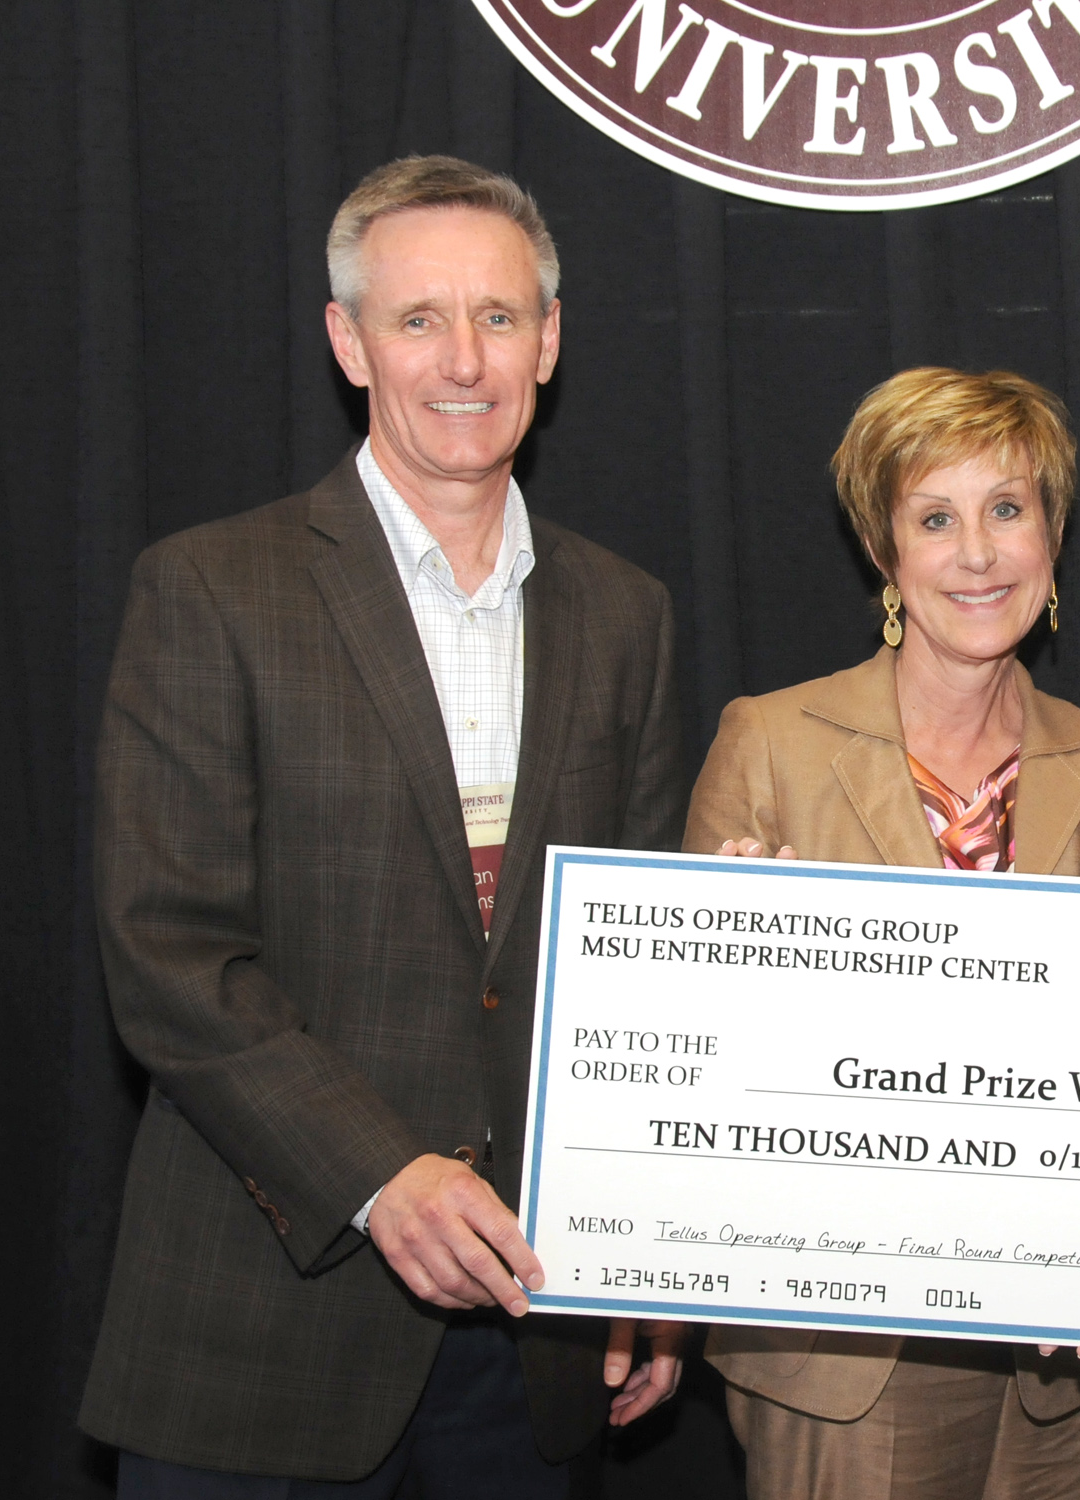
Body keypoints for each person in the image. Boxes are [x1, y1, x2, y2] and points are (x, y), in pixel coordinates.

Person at [80, 156, 688, 1496]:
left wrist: (641, 1261)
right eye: (419, 321)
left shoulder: (624, 613)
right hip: (262, 1326)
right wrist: (379, 1176)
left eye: (500, 316)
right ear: (349, 343)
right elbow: (166, 957)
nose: (464, 360)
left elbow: (632, 982)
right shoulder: (210, 589)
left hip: (531, 1341)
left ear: (553, 337)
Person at [685, 366, 1080, 1500]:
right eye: (935, 519)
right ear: (884, 550)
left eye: (1009, 508)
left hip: (1071, 1349)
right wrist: (728, 960)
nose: (979, 553)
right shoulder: (767, 742)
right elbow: (699, 1069)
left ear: (1052, 533)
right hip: (841, 1343)